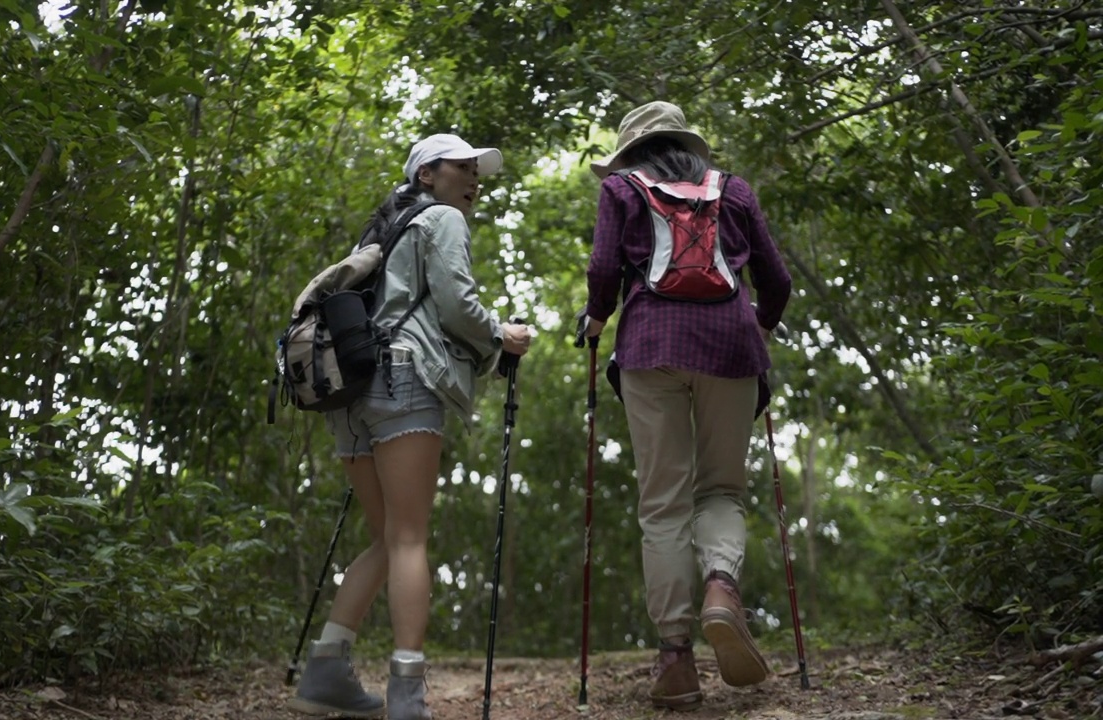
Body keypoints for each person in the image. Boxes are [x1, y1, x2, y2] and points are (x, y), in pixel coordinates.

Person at [287, 133, 532, 720]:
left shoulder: (382, 229)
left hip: (347, 392)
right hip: (403, 380)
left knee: (387, 536)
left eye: (478, 170)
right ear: (428, 175)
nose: (474, 178)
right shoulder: (441, 218)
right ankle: (407, 694)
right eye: (462, 167)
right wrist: (504, 335)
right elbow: (455, 307)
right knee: (409, 538)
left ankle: (326, 670)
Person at [582, 101, 792, 710]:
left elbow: (602, 268)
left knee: (662, 502)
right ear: (687, 145)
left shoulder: (621, 189)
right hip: (731, 346)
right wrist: (760, 330)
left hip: (650, 346)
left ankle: (675, 658)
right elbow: (775, 281)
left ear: (632, 152)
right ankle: (722, 590)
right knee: (722, 489)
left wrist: (597, 319)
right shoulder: (735, 190)